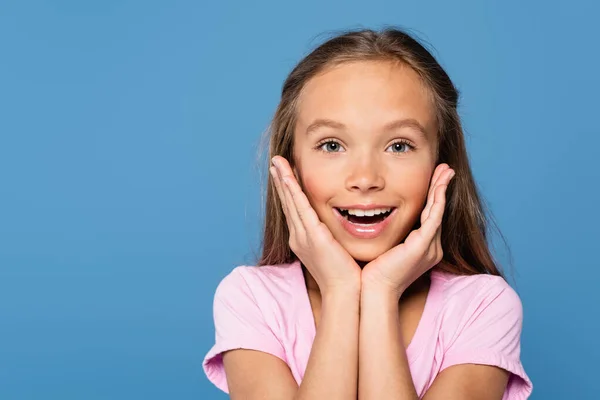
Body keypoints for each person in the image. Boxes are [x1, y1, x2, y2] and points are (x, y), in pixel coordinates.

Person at [202, 27, 533, 399]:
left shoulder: (482, 307)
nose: (365, 179)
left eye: (399, 145)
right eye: (331, 144)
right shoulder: (252, 299)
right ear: (290, 165)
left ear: (441, 164)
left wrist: (380, 292)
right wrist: (342, 290)